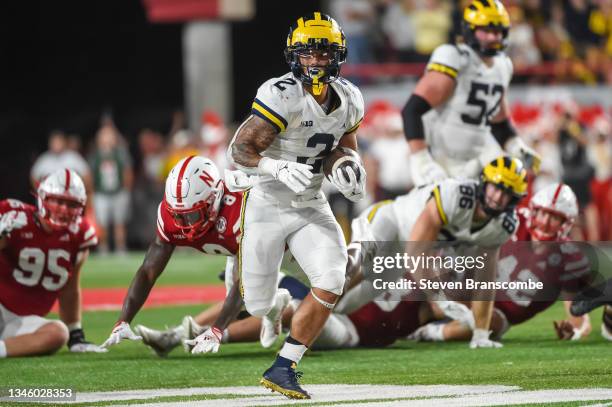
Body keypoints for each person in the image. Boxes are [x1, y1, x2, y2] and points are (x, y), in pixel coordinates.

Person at [227, 12, 366, 399]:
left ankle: (283, 366)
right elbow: (239, 149)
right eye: (308, 54)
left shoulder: (351, 99)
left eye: (324, 53)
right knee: (255, 304)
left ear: (337, 55)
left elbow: (341, 148)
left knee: (332, 277)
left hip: (309, 202)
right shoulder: (281, 93)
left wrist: (349, 170)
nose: (317, 61)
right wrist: (275, 165)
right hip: (268, 202)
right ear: (295, 56)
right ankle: (270, 300)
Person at [99, 156, 296, 355]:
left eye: (191, 215)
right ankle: (274, 305)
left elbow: (244, 282)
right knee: (247, 304)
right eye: (177, 215)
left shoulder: (243, 210)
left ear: (215, 199)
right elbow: (149, 271)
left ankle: (281, 310)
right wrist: (123, 320)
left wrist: (217, 330)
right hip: (240, 247)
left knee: (262, 292)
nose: (183, 225)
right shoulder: (173, 214)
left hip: (287, 243)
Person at [339, 155, 528, 349]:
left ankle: (317, 318)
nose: (497, 198)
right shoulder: (457, 195)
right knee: (359, 267)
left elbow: (485, 280)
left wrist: (480, 333)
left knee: (357, 298)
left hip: (403, 250)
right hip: (391, 221)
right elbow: (416, 252)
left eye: (506, 193)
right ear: (484, 182)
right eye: (496, 187)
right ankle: (313, 306)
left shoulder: (502, 226)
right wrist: (438, 297)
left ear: (514, 200)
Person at [413, 183, 594, 343]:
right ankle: (412, 321)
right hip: (470, 287)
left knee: (479, 323)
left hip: (499, 315)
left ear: (566, 224)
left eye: (554, 218)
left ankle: (430, 333)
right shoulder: (511, 221)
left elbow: (579, 315)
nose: (545, 223)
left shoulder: (569, 258)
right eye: (542, 213)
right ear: (533, 210)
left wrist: (575, 331)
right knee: (429, 290)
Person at [401, 0, 540, 186]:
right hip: (441, 157)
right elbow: (412, 110)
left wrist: (516, 146)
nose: (492, 37)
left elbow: (498, 120)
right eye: (486, 31)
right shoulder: (455, 58)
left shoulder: (503, 66)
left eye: (497, 31)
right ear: (470, 30)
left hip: (476, 160)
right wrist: (421, 160)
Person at [0, 169, 102, 357]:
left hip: (22, 322)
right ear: (42, 197)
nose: (63, 209)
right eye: (58, 200)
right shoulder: (13, 216)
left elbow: (71, 288)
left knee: (58, 333)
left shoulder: (79, 234)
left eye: (71, 204)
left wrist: (75, 334)